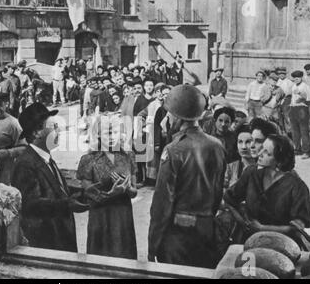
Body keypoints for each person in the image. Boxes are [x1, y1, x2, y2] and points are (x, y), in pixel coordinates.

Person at [148, 85, 227, 269]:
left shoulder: (173, 150)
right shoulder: (217, 145)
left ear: (177, 116)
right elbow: (217, 194)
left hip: (178, 237)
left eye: (168, 114)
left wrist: (153, 244)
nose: (166, 119)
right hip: (207, 231)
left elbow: (162, 203)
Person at [10, 103, 91, 252]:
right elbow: (30, 205)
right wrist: (67, 204)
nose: (58, 131)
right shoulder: (25, 164)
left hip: (61, 237)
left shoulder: (46, 158)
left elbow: (57, 189)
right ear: (36, 133)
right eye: (53, 127)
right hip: (47, 242)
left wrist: (85, 192)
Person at [223, 135, 310, 246]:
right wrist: (241, 220)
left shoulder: (298, 187)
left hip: (283, 244)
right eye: (262, 149)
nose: (260, 154)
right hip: (247, 241)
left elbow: (297, 228)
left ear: (280, 160)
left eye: (267, 153)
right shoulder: (251, 173)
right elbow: (229, 199)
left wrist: (262, 228)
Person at [77, 114, 138, 259]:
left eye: (115, 132)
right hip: (100, 217)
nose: (112, 137)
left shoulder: (128, 156)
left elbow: (134, 192)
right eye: (107, 133)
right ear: (97, 134)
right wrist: (112, 193)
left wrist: (128, 189)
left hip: (123, 216)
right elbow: (88, 193)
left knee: (124, 259)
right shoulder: (88, 160)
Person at [290, 70, 310, 159]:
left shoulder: (305, 86)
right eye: (294, 78)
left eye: (298, 78)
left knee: (304, 131)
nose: (296, 79)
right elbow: (292, 98)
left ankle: (306, 151)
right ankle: (297, 149)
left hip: (302, 109)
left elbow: (309, 98)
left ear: (301, 78)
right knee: (295, 131)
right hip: (293, 109)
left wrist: (300, 94)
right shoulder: (293, 86)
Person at [224, 124, 255, 189]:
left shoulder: (262, 169)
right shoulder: (230, 168)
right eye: (240, 142)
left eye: (248, 142)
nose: (243, 147)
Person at [277, 67, 294, 136]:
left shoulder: (289, 82)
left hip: (287, 100)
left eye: (283, 74)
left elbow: (291, 92)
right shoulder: (277, 81)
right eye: (280, 74)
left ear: (285, 74)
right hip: (278, 101)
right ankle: (282, 131)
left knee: (287, 117)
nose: (281, 75)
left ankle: (290, 132)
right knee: (279, 117)